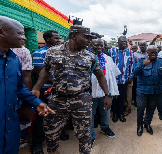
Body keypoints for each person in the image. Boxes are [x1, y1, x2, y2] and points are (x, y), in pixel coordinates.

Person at [32, 25, 112, 154]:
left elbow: (100, 75)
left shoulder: (90, 56)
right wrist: (36, 88)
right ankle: (53, 151)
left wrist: (108, 95)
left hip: (81, 100)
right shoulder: (53, 52)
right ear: (74, 36)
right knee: (51, 131)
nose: (89, 41)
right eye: (86, 37)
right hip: (57, 99)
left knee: (84, 134)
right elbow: (45, 71)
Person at [0, 15, 54, 154]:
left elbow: (19, 88)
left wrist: (36, 103)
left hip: (10, 130)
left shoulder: (13, 59)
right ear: (0, 32)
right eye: (19, 33)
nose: (24, 38)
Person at [31, 30, 62, 154]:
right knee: (42, 116)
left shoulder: (61, 53)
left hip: (59, 89)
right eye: (56, 38)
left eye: (59, 38)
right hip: (46, 89)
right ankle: (37, 144)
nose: (59, 40)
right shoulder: (40, 52)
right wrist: (60, 83)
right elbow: (40, 73)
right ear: (48, 39)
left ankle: (55, 138)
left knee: (57, 114)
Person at [135, 45, 162, 136]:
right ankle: (139, 125)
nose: (153, 54)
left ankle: (147, 124)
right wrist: (143, 65)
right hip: (142, 90)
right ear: (147, 52)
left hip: (155, 91)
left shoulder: (161, 61)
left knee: (151, 108)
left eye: (155, 52)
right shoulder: (141, 60)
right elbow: (135, 73)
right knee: (141, 108)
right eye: (151, 52)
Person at [90, 38, 120, 145]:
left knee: (105, 112)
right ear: (91, 45)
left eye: (100, 45)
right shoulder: (86, 58)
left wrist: (112, 92)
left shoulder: (108, 58)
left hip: (105, 92)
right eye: (96, 45)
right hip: (90, 93)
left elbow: (113, 76)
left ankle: (105, 127)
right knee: (90, 114)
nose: (98, 47)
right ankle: (90, 135)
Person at [12, 43, 34, 148]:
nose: (24, 38)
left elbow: (26, 76)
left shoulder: (22, 51)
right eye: (19, 34)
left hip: (16, 94)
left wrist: (27, 101)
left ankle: (20, 139)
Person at [108, 36, 135, 123]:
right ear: (118, 42)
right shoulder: (111, 51)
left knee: (122, 97)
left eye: (125, 42)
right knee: (114, 97)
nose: (124, 43)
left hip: (124, 79)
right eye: (122, 42)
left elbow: (132, 65)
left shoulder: (130, 52)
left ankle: (120, 114)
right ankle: (115, 114)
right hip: (113, 79)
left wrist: (131, 76)